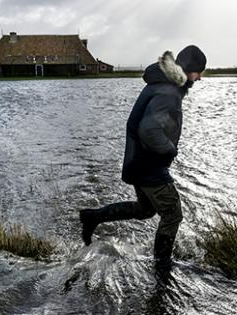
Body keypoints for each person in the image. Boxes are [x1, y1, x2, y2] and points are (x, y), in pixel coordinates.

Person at [79, 45, 207, 274]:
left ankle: (93, 217)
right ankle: (162, 265)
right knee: (173, 214)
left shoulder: (162, 85)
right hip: (150, 164)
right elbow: (148, 130)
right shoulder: (169, 92)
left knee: (145, 209)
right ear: (189, 69)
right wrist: (170, 150)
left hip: (140, 161)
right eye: (199, 72)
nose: (199, 78)